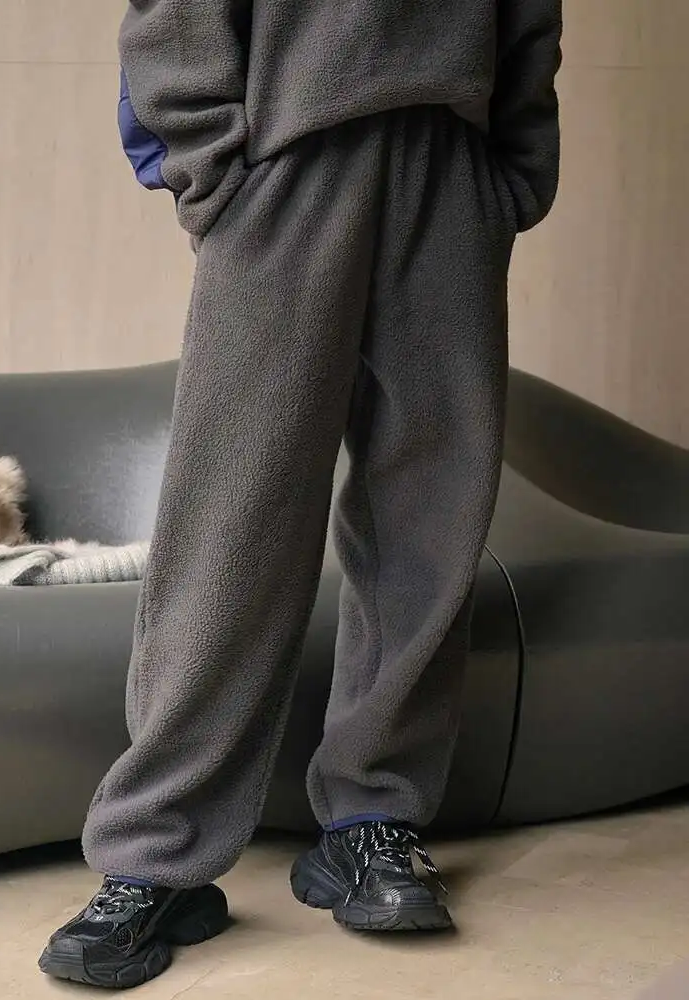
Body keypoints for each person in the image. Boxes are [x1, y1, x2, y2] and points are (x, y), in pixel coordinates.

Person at [39, 0, 562, 988]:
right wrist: (210, 161)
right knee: (231, 522)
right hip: (288, 150)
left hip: (453, 157)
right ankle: (157, 854)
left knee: (430, 520)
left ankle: (373, 815)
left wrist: (515, 168)